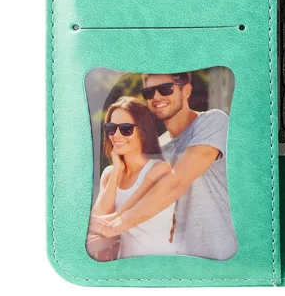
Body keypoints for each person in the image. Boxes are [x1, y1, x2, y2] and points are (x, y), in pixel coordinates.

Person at [90, 73, 237, 260]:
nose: (157, 97)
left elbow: (176, 183)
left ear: (186, 90)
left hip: (221, 256)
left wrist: (114, 225)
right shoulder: (159, 149)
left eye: (165, 89)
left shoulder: (212, 122)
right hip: (181, 260)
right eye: (149, 92)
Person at [87, 96, 175, 260]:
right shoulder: (109, 174)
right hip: (125, 266)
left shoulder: (160, 170)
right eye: (111, 128)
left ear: (143, 132)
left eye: (126, 129)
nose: (116, 135)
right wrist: (116, 171)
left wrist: (95, 222)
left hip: (158, 264)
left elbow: (111, 219)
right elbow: (98, 217)